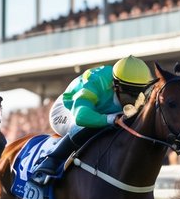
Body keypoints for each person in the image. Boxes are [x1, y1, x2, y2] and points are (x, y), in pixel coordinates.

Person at [29, 56, 154, 185]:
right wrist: (112, 119)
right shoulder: (97, 80)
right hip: (68, 111)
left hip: (102, 111)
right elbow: (81, 117)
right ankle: (50, 161)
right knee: (86, 126)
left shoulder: (139, 89)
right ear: (115, 85)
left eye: (139, 93)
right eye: (130, 93)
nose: (134, 99)